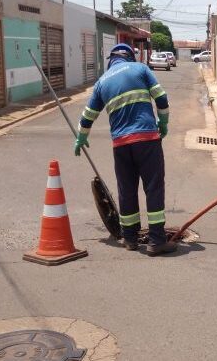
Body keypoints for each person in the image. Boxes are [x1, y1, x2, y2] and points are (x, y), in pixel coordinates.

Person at [74, 43, 176, 256]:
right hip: (146, 139)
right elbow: (161, 98)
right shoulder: (140, 69)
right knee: (153, 187)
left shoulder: (102, 82)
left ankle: (129, 238)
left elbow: (88, 115)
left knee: (126, 190)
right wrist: (163, 122)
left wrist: (81, 137)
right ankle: (157, 241)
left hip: (120, 145)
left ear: (111, 60)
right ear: (129, 56)